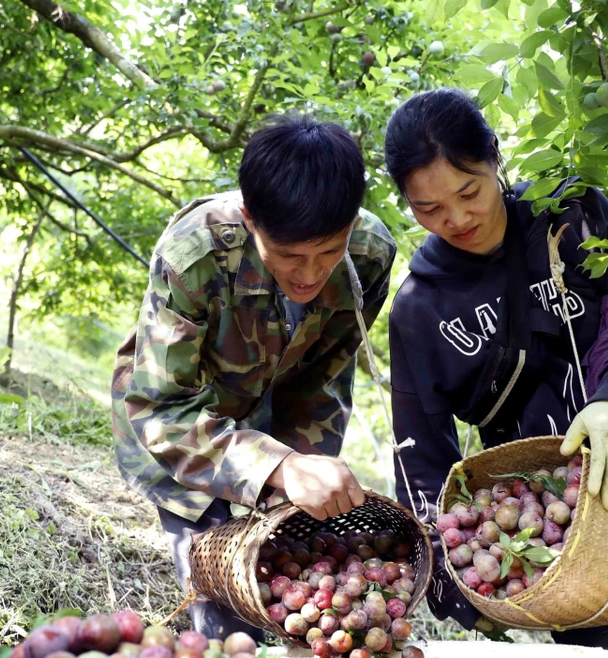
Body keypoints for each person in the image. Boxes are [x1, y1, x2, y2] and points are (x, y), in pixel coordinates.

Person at [383, 88, 608, 649]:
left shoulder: (572, 216)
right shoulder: (419, 311)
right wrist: (452, 583)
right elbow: (421, 459)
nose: (458, 218)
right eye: (429, 208)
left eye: (470, 191)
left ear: (495, 157)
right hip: (548, 538)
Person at [111, 115, 397, 641]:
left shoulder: (369, 255)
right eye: (288, 256)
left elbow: (324, 376)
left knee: (288, 583)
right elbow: (161, 409)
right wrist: (277, 467)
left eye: (327, 253)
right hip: (185, 434)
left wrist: (295, 478)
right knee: (226, 613)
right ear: (249, 218)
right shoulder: (193, 258)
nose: (310, 274)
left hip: (275, 416)